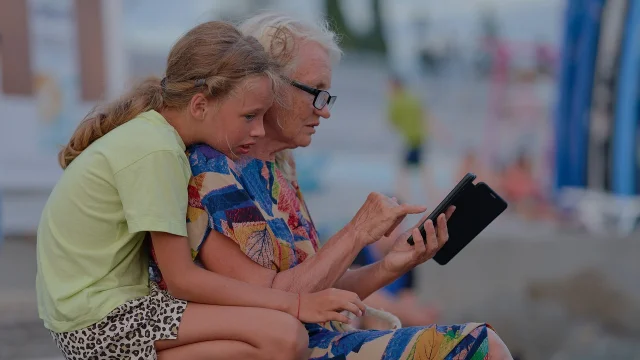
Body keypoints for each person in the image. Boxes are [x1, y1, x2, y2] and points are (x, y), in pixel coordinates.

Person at [181, 12, 513, 359]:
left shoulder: (280, 166)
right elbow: (276, 299)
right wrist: (356, 232)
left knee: (482, 343)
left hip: (316, 339)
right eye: (317, 92)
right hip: (288, 345)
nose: (324, 111)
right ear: (268, 85)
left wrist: (390, 265)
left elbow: (317, 285)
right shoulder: (215, 171)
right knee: (482, 346)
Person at [36, 21, 368, 360]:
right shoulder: (158, 151)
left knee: (282, 337)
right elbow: (181, 279)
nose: (257, 129)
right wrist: (295, 302)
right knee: (283, 335)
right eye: (250, 116)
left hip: (94, 316)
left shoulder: (154, 137)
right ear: (199, 106)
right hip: (99, 323)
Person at [387, 75, 435, 203]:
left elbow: (392, 121)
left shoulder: (396, 102)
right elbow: (425, 116)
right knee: (420, 168)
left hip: (409, 140)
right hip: (419, 138)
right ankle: (431, 195)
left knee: (404, 171)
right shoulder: (413, 98)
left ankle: (404, 198)